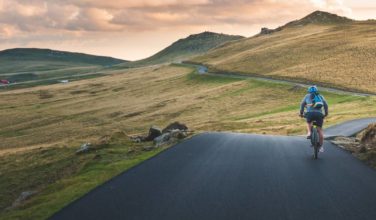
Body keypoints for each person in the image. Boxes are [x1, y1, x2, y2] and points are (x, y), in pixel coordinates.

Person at [299, 85, 328, 152]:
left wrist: (301, 113)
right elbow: (326, 105)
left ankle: (309, 133)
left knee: (309, 122)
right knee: (320, 130)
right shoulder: (320, 96)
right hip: (319, 114)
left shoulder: (307, 96)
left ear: (309, 91)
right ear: (317, 90)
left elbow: (302, 104)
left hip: (310, 113)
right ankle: (320, 146)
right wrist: (325, 114)